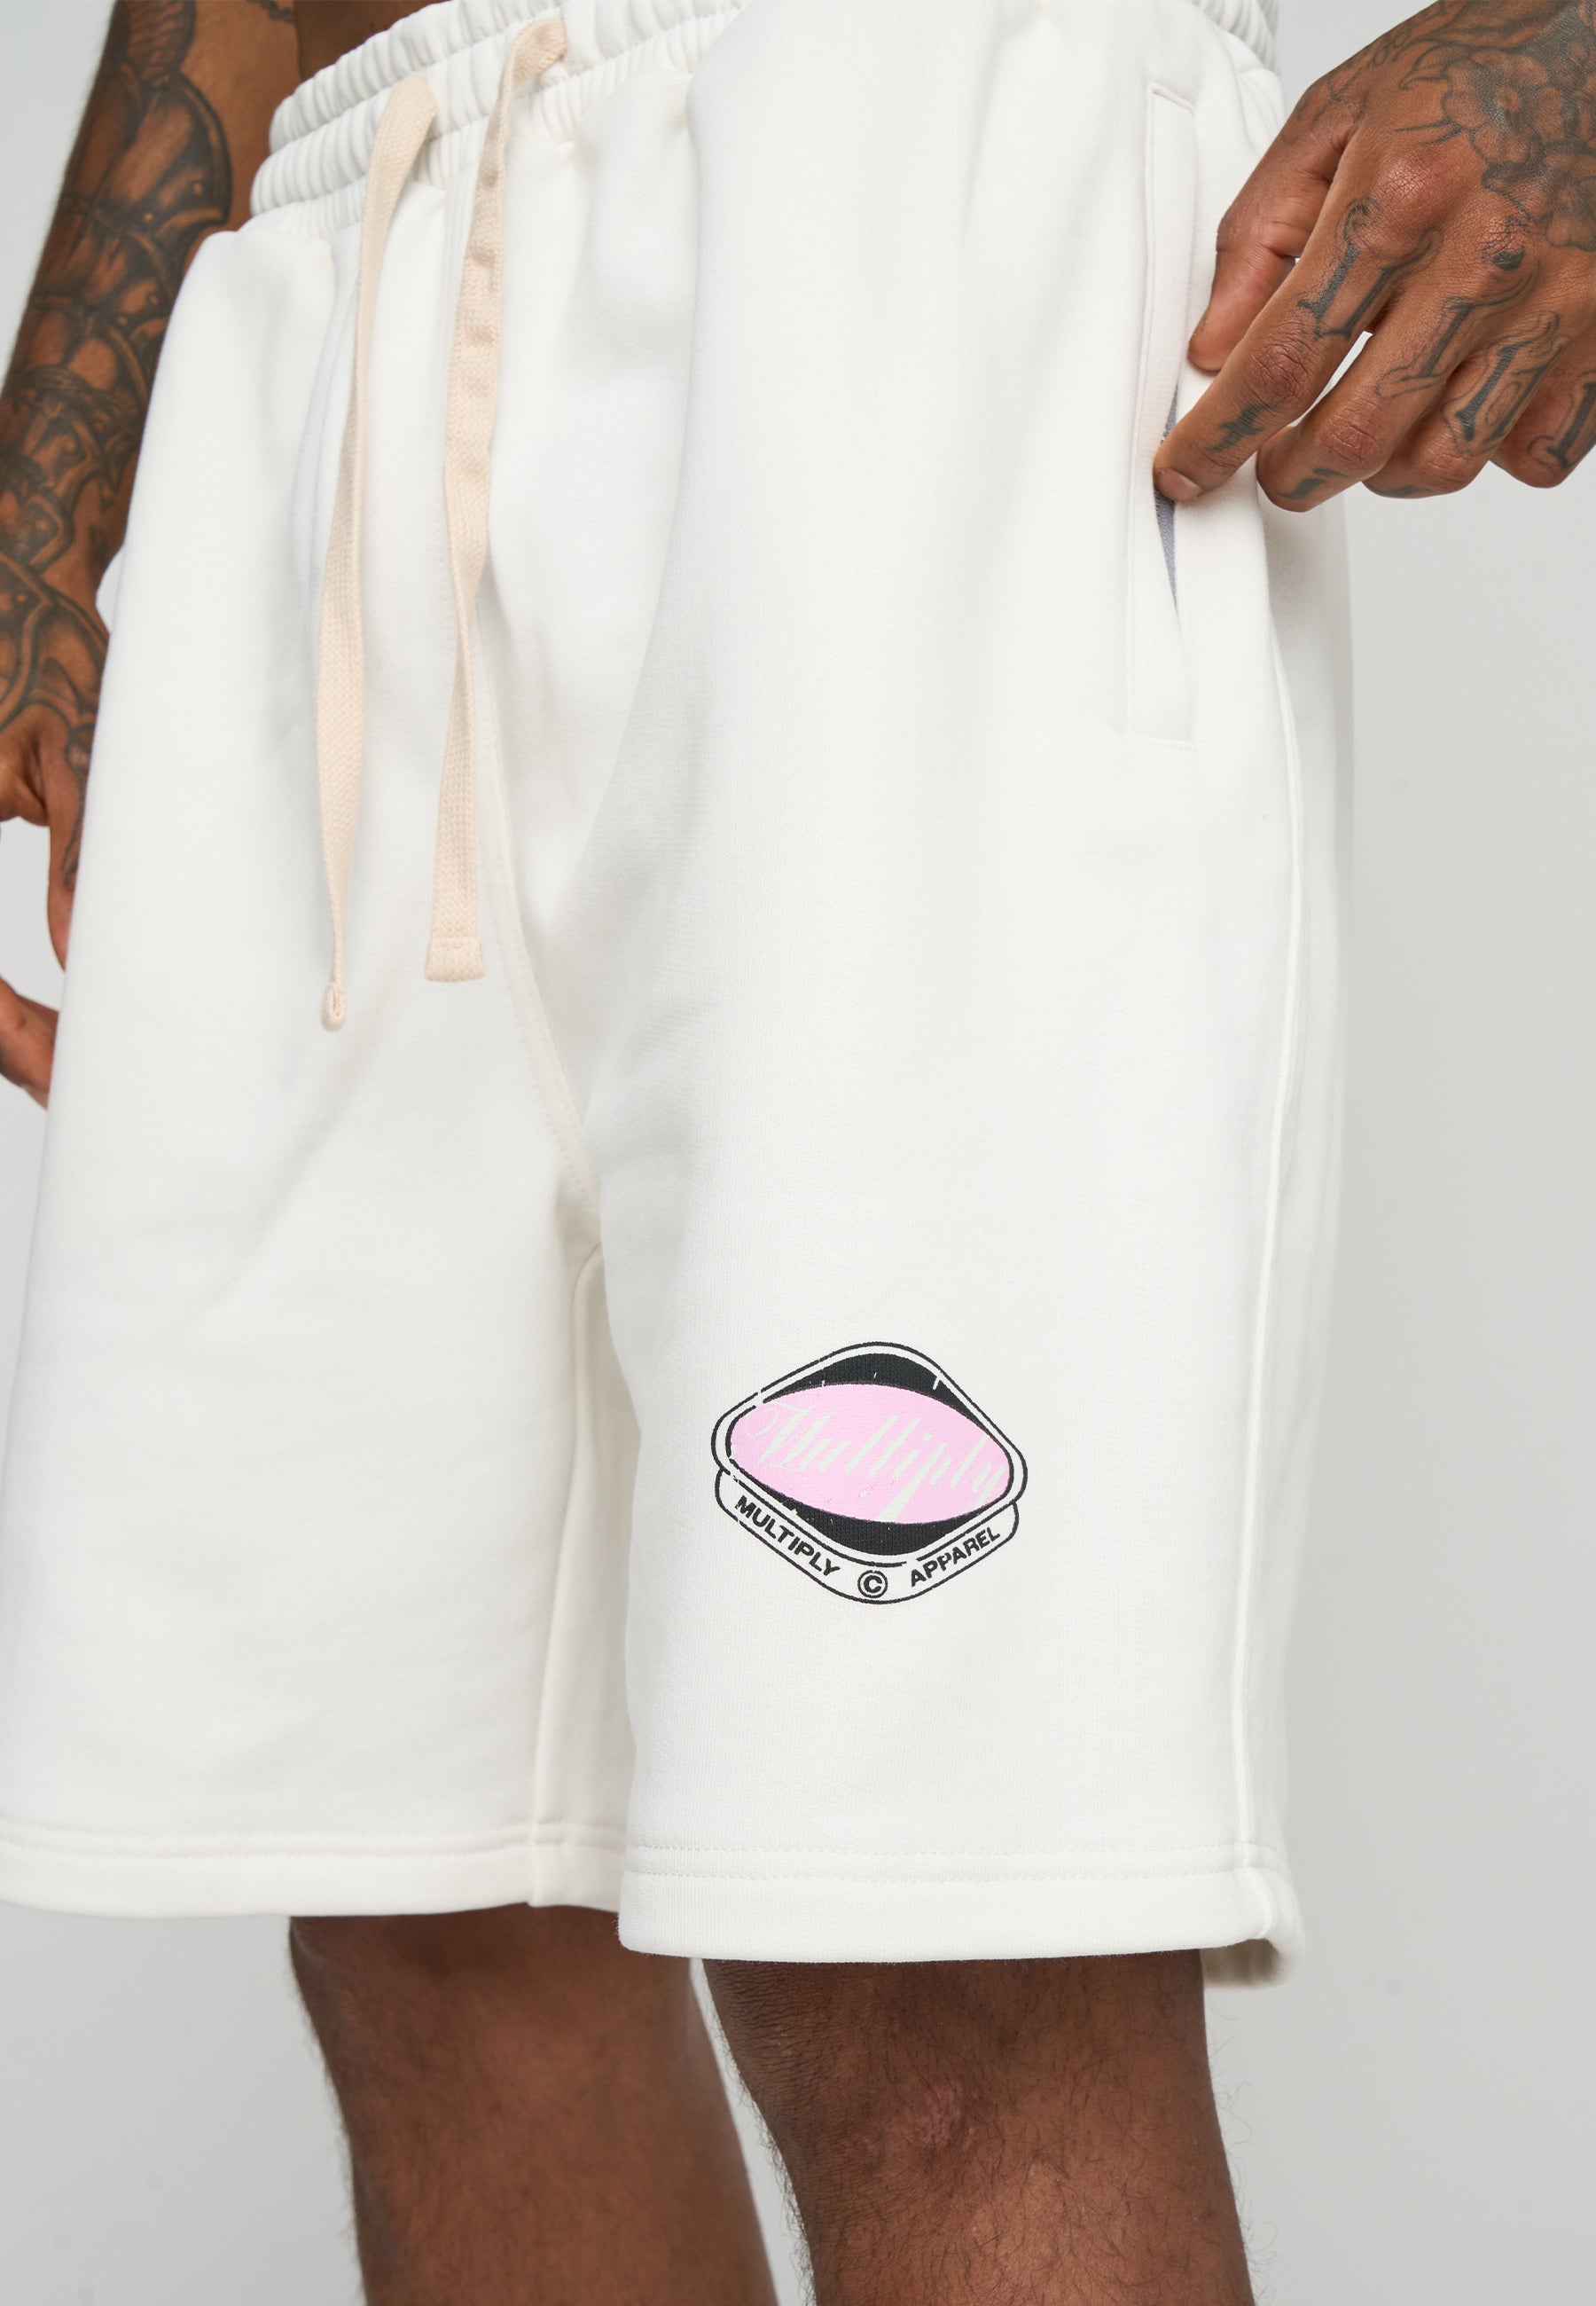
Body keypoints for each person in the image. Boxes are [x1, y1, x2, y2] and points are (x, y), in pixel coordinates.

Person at [0, 1, 1587, 2299]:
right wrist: (53, 451)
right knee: (432, 1915)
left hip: (897, 200)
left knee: (938, 1961)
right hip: (331, 261)